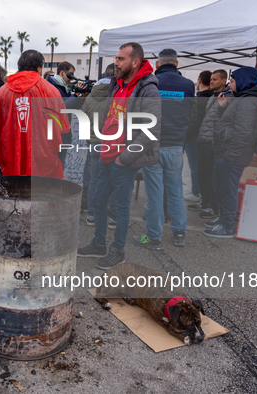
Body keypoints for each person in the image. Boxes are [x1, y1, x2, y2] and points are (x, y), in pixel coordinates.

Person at [77, 42, 161, 269]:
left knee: (120, 208)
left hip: (124, 160)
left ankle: (117, 250)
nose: (116, 62)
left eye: (121, 59)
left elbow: (151, 129)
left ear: (135, 62)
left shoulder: (147, 88)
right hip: (106, 155)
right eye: (116, 58)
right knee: (97, 200)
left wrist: (124, 157)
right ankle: (98, 244)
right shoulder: (118, 83)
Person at [133, 49, 194, 249]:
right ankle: (179, 233)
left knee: (155, 193)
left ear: (157, 64)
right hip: (176, 145)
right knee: (176, 191)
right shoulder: (188, 85)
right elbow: (190, 115)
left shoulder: (149, 83)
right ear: (176, 64)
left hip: (152, 145)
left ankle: (154, 237)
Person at [0, 49, 68, 178]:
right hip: (43, 162)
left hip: (12, 159)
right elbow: (62, 129)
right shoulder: (52, 92)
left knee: (14, 196)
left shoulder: (2, 93)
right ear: (39, 68)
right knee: (41, 197)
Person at [204, 67, 257, 238]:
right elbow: (233, 124)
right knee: (221, 187)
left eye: (232, 81)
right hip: (227, 153)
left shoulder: (248, 102)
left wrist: (230, 156)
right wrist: (224, 107)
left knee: (228, 189)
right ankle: (223, 218)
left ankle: (226, 226)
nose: (229, 85)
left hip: (232, 156)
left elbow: (243, 132)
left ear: (243, 81)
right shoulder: (243, 99)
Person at [81, 63, 117, 228]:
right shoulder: (119, 95)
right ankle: (113, 217)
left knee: (94, 180)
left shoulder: (90, 96)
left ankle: (91, 215)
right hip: (113, 143)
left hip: (94, 143)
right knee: (114, 180)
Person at [194, 69, 229, 219]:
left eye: (215, 79)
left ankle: (212, 206)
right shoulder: (213, 96)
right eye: (211, 79)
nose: (212, 82)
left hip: (213, 143)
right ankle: (205, 201)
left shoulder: (226, 97)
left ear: (223, 81)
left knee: (211, 176)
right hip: (204, 141)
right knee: (202, 174)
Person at [184, 70, 213, 203]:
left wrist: (186, 136)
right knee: (203, 167)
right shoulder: (213, 97)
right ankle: (202, 193)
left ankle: (196, 192)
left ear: (200, 80)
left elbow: (192, 120)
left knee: (195, 166)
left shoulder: (198, 99)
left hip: (195, 136)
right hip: (208, 138)